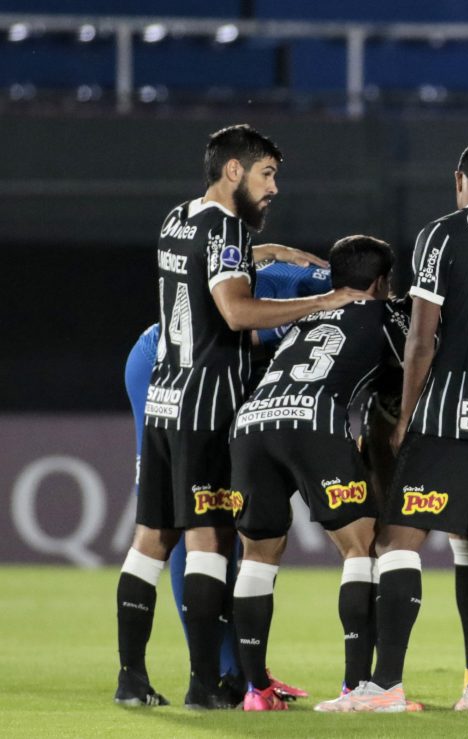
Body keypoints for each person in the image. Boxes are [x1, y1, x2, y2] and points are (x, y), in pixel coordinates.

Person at [113, 124, 363, 708]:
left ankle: (131, 679)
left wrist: (261, 254)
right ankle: (207, 684)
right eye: (267, 174)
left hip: (164, 397)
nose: (273, 188)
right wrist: (326, 299)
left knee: (150, 541)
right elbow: (235, 311)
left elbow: (205, 266)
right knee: (208, 540)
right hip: (207, 402)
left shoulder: (180, 218)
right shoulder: (225, 225)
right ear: (234, 171)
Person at [337, 140, 468, 713]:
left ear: (461, 180)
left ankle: (384, 685)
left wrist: (406, 417)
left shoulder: (444, 234)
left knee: (399, 540)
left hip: (447, 414)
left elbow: (421, 339)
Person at [122, 259, 328, 704]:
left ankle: (238, 671)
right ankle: (219, 674)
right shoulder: (320, 295)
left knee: (226, 519)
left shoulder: (335, 293)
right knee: (187, 524)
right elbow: (237, 314)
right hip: (167, 365)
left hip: (218, 372)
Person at [229, 235, 405, 711]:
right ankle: (355, 687)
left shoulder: (302, 312)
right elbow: (418, 361)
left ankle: (256, 693)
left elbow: (252, 333)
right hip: (312, 419)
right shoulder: (387, 315)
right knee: (361, 545)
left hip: (251, 423)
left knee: (258, 555)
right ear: (381, 281)